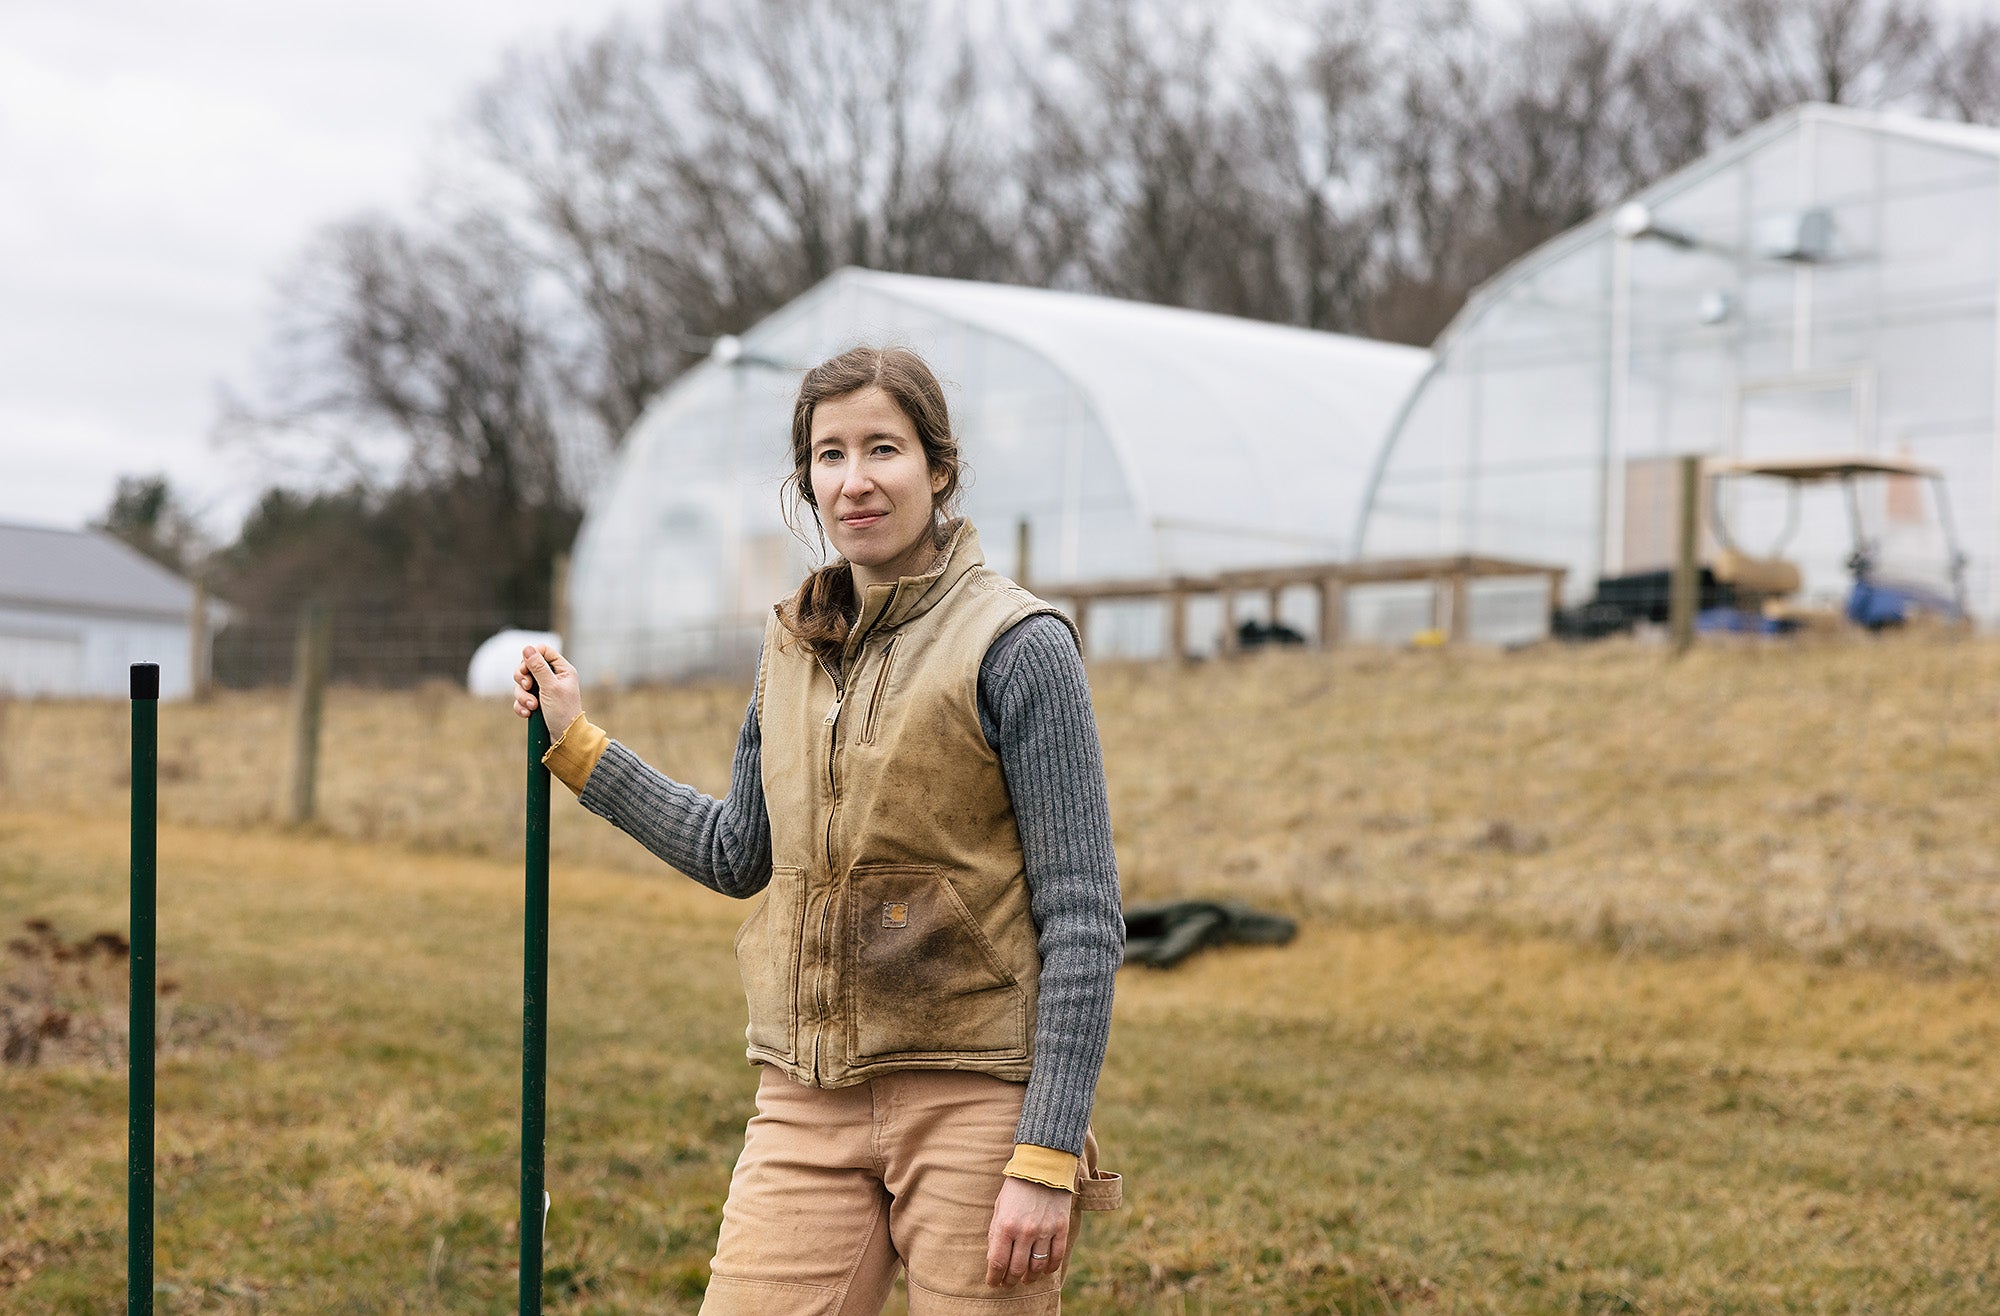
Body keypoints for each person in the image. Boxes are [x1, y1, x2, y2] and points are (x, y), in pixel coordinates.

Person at [511, 345, 1124, 1314]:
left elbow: (1084, 916)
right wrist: (579, 746)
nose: (854, 480)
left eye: (882, 447)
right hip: (804, 1093)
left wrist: (1045, 1150)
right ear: (806, 480)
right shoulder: (792, 643)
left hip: (970, 1093)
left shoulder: (1017, 645)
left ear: (938, 466)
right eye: (827, 455)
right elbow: (735, 852)